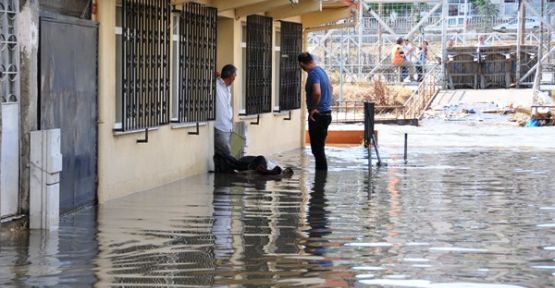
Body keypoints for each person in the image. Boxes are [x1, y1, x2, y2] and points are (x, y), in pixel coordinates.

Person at [298, 52, 333, 171]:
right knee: (320, 149)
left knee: (317, 151)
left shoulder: (313, 74)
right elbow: (330, 87)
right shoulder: (321, 71)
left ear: (302, 64)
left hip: (318, 115)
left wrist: (313, 108)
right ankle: (320, 180)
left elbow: (317, 92)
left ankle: (320, 182)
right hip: (327, 113)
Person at [214, 64, 237, 158]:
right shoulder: (217, 85)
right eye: (235, 75)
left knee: (234, 152)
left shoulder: (227, 87)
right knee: (227, 155)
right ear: (231, 76)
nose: (235, 77)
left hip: (228, 126)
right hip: (219, 127)